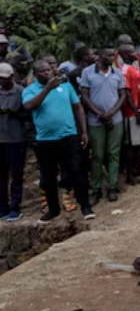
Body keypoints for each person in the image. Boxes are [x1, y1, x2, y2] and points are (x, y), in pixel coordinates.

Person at [23, 59, 92, 222]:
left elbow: (78, 107)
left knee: (76, 171)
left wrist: (83, 131)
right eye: (43, 71)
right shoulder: (30, 90)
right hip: (45, 140)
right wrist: (47, 88)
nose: (48, 73)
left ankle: (86, 207)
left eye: (49, 70)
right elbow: (29, 106)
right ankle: (53, 210)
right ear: (36, 74)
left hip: (69, 136)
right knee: (48, 176)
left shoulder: (66, 86)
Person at [80, 46, 128, 203]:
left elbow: (122, 95)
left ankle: (112, 187)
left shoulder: (117, 73)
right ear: (99, 56)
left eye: (113, 55)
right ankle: (96, 189)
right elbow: (85, 97)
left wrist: (111, 113)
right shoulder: (87, 72)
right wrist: (100, 114)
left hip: (115, 119)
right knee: (97, 155)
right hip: (95, 121)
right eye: (108, 55)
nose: (111, 58)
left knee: (113, 153)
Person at [117, 44, 140, 186]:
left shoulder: (134, 67)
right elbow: (127, 93)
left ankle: (136, 168)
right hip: (132, 113)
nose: (136, 54)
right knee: (131, 145)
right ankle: (129, 175)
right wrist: (136, 112)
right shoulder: (124, 70)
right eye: (132, 52)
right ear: (125, 55)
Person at [0, 63, 26, 221]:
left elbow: (27, 115)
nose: (1, 81)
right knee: (1, 176)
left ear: (11, 77)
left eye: (3, 78)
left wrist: (12, 111)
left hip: (16, 139)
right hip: (0, 139)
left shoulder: (20, 92)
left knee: (16, 175)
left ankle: (15, 207)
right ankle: (2, 207)